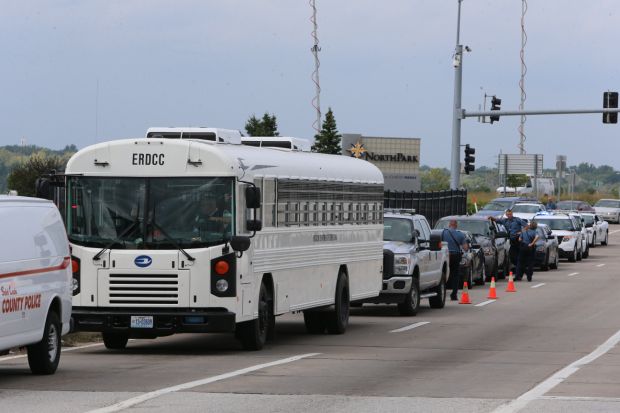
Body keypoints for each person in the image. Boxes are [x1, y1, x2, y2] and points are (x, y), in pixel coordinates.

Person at [489, 209, 526, 274]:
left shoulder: (517, 220)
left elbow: (527, 226)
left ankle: (520, 269)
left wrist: (521, 232)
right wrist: (491, 217)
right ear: (506, 215)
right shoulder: (505, 221)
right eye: (508, 214)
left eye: (510, 214)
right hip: (512, 240)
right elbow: (497, 220)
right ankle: (520, 267)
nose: (509, 215)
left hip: (518, 239)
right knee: (512, 256)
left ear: (512, 214)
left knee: (518, 256)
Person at [441, 220, 468, 301]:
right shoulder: (460, 234)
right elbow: (465, 248)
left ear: (449, 225)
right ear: (456, 225)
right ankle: (454, 294)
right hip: (456, 256)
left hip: (445, 255)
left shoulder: (443, 233)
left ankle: (442, 292)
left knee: (443, 274)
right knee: (455, 275)